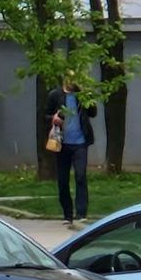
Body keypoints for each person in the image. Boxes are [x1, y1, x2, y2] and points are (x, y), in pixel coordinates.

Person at [45, 76, 97, 226]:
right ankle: (67, 215)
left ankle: (81, 213)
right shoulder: (55, 95)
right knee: (63, 180)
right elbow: (46, 114)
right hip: (62, 143)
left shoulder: (82, 95)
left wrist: (88, 96)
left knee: (80, 176)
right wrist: (53, 118)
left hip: (80, 142)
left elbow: (93, 113)